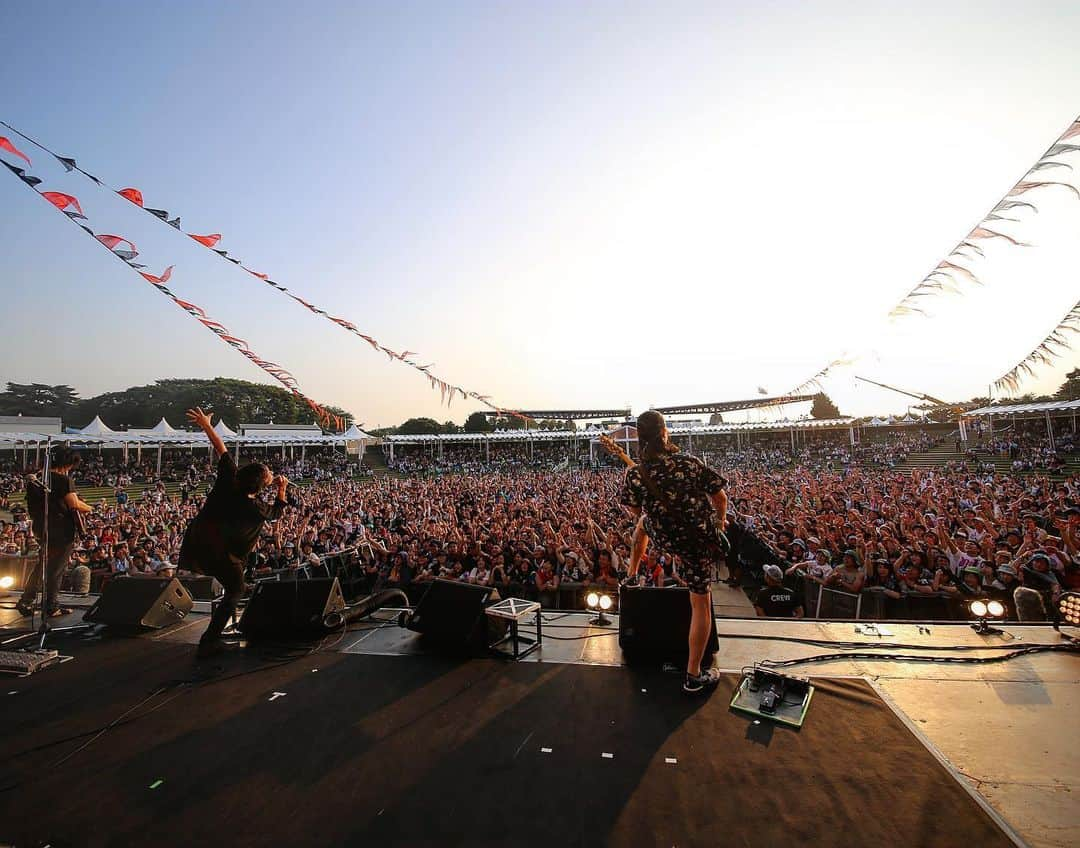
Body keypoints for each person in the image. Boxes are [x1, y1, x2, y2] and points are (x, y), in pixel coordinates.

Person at [620, 410, 728, 695]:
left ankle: (631, 574)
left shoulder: (635, 473)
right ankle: (693, 675)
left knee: (642, 526)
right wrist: (719, 522)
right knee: (700, 604)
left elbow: (634, 511)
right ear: (665, 433)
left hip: (665, 536)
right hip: (696, 542)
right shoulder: (690, 463)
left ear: (639, 439)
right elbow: (720, 496)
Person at [178, 407, 290, 658]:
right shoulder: (255, 507)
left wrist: (206, 424)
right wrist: (282, 489)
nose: (272, 474)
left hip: (199, 541)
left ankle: (216, 633)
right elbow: (277, 513)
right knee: (236, 589)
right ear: (261, 485)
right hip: (223, 552)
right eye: (269, 475)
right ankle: (210, 639)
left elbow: (221, 448)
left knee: (235, 586)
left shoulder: (230, 478)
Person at [17, 444, 94, 618]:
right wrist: (89, 508)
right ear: (67, 463)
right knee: (55, 569)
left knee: (42, 566)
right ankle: (52, 606)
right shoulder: (62, 480)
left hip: (41, 528)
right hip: (61, 530)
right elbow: (74, 504)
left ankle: (26, 600)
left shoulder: (36, 479)